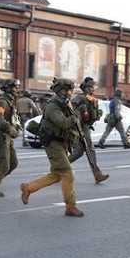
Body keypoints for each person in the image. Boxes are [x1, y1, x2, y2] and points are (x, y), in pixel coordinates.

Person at [20, 78, 84, 217]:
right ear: (58, 91)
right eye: (65, 90)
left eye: (70, 90)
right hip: (53, 144)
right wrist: (76, 116)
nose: (68, 93)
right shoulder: (53, 106)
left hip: (61, 143)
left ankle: (28, 188)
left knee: (56, 175)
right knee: (68, 174)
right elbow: (64, 123)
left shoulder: (65, 104)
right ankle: (70, 206)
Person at [68, 77, 109, 183]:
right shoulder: (80, 97)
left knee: (79, 152)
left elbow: (94, 114)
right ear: (85, 88)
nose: (92, 89)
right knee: (90, 149)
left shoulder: (91, 99)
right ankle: (97, 174)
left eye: (93, 87)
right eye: (90, 87)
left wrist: (97, 113)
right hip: (80, 127)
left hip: (85, 126)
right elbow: (70, 107)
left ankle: (59, 167)